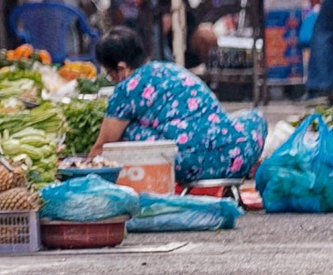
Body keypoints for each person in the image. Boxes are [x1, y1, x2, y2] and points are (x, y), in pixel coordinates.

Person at [92, 26, 265, 183]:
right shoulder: (171, 68)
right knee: (255, 116)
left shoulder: (125, 90)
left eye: (110, 73)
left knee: (125, 133)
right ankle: (244, 168)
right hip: (234, 157)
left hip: (190, 167)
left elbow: (103, 146)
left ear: (121, 69)